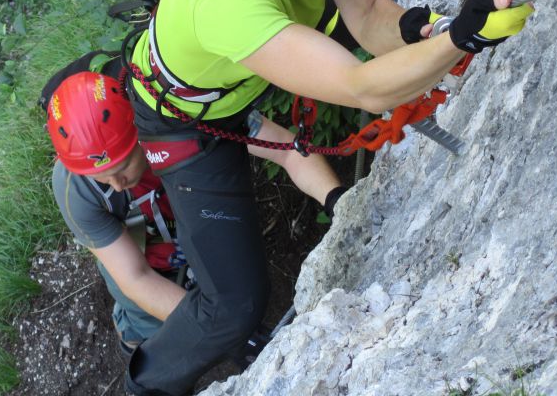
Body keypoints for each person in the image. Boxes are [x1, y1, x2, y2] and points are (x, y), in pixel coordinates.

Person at [122, 0, 534, 395]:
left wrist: (439, 31)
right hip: (179, 122)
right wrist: (462, 40)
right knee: (233, 305)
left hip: (225, 80)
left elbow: (369, 16)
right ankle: (146, 385)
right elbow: (362, 89)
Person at [46, 70, 344, 361]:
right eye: (102, 177)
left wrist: (339, 202)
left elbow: (287, 151)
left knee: (229, 298)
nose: (117, 184)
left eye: (121, 167)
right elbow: (136, 278)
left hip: (199, 233)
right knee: (164, 336)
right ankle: (138, 338)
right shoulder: (76, 188)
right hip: (150, 269)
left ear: (138, 128)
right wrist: (225, 332)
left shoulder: (182, 113)